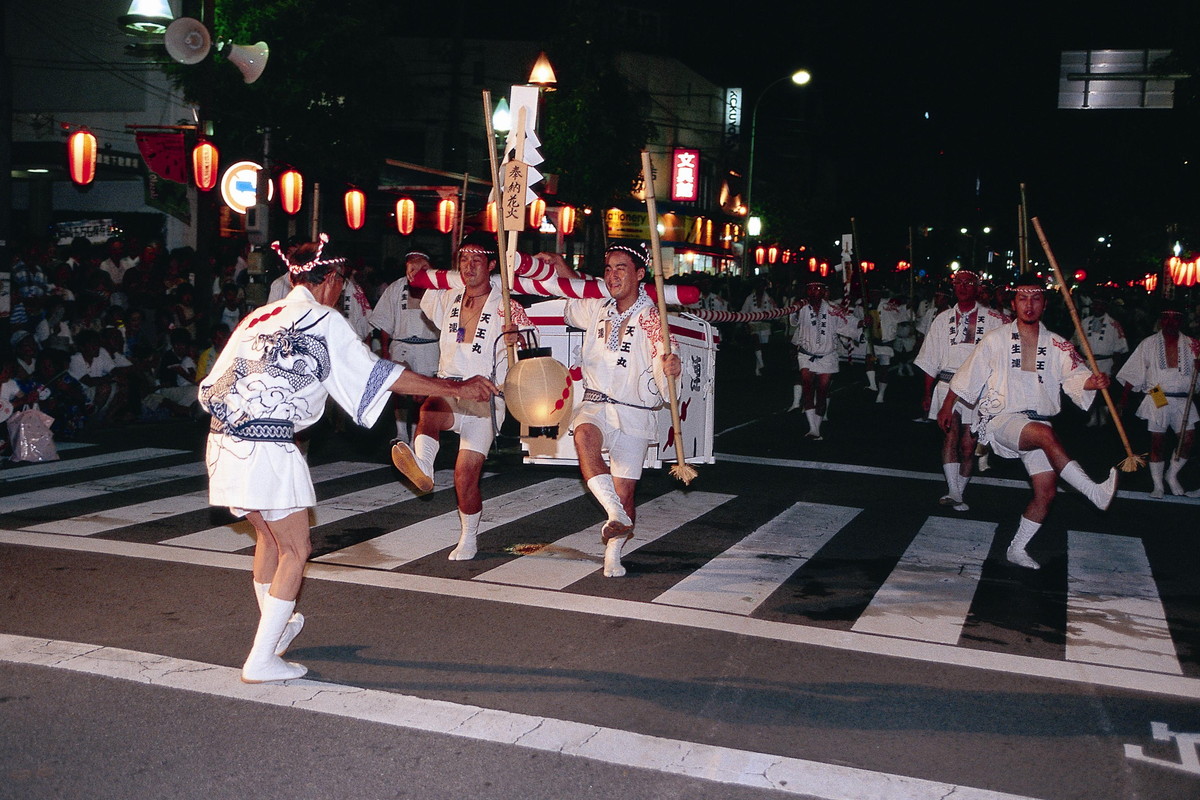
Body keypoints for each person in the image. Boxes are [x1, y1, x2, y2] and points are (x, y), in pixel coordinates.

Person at [198, 233, 499, 684]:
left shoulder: (258, 317)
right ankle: (261, 659)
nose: (342, 292)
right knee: (297, 549)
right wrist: (456, 389)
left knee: (271, 541)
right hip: (268, 444)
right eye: (342, 283)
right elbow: (384, 376)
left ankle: (275, 633)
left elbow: (209, 388)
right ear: (331, 279)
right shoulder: (322, 319)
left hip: (222, 441)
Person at [939, 273, 1117, 570]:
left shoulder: (1058, 344)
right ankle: (1092, 492)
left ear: (1044, 304)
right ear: (1014, 303)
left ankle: (1017, 548)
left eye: (1035, 298)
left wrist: (1093, 382)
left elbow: (1076, 377)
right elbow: (969, 375)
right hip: (1002, 418)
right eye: (1023, 298)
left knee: (1046, 493)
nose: (1029, 304)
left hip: (1037, 422)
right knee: (1046, 438)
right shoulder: (995, 339)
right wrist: (947, 406)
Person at [390, 231, 532, 562]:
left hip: (485, 397)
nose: (468, 266)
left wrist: (517, 339)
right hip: (450, 387)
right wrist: (419, 266)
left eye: (477, 260)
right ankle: (423, 466)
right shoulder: (448, 296)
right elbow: (418, 280)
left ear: (492, 265)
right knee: (431, 406)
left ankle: (469, 537)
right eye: (463, 259)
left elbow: (530, 348)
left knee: (464, 478)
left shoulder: (507, 306)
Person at [542, 244, 682, 577]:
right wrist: (562, 268)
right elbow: (569, 297)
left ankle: (613, 554)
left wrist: (672, 367)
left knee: (626, 490)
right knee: (584, 434)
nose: (612, 275)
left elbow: (666, 353)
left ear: (640, 274)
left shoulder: (653, 318)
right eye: (607, 269)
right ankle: (615, 514)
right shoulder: (597, 308)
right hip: (596, 403)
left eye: (621, 268)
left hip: (635, 413)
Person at [914, 270, 1007, 510]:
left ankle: (959, 492)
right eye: (959, 283)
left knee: (968, 446)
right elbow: (930, 359)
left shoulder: (995, 319)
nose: (963, 287)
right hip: (947, 384)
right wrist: (926, 393)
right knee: (950, 436)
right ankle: (953, 491)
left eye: (969, 283)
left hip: (979, 389)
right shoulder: (942, 319)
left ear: (977, 288)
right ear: (953, 286)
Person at [1116, 302, 1200, 498]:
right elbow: (1133, 372)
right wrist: (1123, 399)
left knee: (1187, 441)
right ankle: (1158, 485)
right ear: (1160, 320)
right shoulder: (1148, 343)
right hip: (1157, 394)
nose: (1170, 322)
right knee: (1157, 442)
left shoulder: (1193, 345)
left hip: (1183, 399)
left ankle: (1172, 474)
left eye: (1175, 318)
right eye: (1166, 317)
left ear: (1181, 321)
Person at [368, 250, 441, 444]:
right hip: (402, 343)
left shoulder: (439, 288)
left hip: (429, 345)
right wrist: (385, 351)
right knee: (400, 387)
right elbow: (384, 321)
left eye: (422, 267)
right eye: (413, 267)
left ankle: (418, 430)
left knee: (422, 392)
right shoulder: (396, 287)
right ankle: (401, 432)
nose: (417, 271)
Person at [788, 278, 859, 440]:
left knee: (822, 392)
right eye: (811, 289)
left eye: (818, 289)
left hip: (827, 357)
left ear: (824, 291)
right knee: (807, 387)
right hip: (806, 354)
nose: (814, 292)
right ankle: (812, 429)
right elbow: (793, 321)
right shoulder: (801, 306)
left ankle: (817, 427)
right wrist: (797, 309)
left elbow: (846, 324)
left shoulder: (833, 309)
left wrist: (861, 323)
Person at [1073, 295, 1128, 427]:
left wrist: (1116, 364)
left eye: (1101, 305)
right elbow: (1075, 342)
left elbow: (1119, 347)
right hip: (1087, 363)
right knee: (1089, 389)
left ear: (1106, 307)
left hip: (1106, 362)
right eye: (1095, 304)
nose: (1098, 307)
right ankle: (1092, 415)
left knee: (1104, 391)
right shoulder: (1084, 322)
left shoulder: (1114, 324)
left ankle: (1104, 415)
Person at [740, 278, 777, 376]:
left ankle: (758, 369)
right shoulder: (749, 298)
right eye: (758, 285)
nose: (760, 288)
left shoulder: (769, 299)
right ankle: (762, 364)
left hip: (765, 325)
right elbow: (744, 311)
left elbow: (776, 313)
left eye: (762, 285)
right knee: (756, 341)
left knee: (762, 347)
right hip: (753, 324)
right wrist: (743, 322)